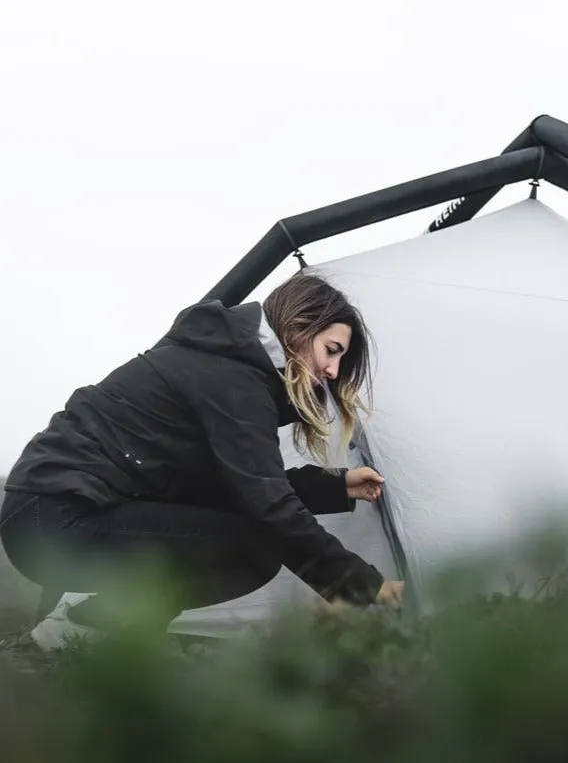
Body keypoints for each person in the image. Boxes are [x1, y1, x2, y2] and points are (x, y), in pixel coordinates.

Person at [0, 271, 404, 646]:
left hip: (44, 516)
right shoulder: (234, 378)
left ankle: (87, 626)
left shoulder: (229, 365)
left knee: (249, 535)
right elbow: (267, 504)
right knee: (253, 548)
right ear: (297, 327)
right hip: (53, 520)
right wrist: (367, 587)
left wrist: (334, 485)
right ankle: (87, 625)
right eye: (331, 351)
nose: (333, 370)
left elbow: (238, 487)